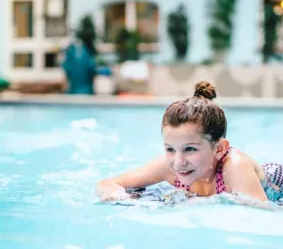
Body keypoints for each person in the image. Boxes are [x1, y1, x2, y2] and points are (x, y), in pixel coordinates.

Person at [96, 81, 283, 204]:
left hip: (276, 185)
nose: (178, 161)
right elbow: (107, 184)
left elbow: (261, 218)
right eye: (170, 149)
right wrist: (119, 196)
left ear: (219, 148)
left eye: (190, 149)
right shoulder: (168, 166)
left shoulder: (234, 167)